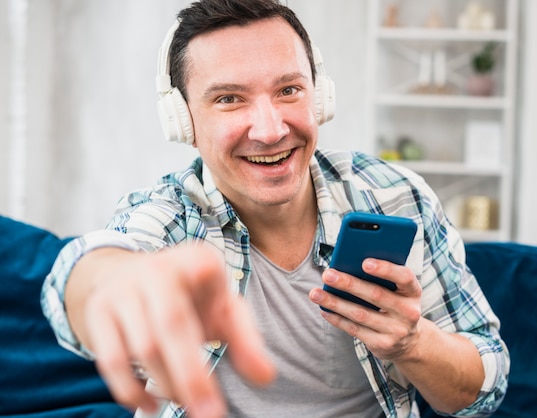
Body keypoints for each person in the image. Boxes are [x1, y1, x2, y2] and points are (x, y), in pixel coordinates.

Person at [41, 1, 509, 417]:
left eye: (288, 90)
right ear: (183, 121)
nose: (269, 130)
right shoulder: (167, 218)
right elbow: (86, 276)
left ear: (319, 97)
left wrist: (413, 342)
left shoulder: (395, 196)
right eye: (229, 99)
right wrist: (107, 282)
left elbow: (483, 389)